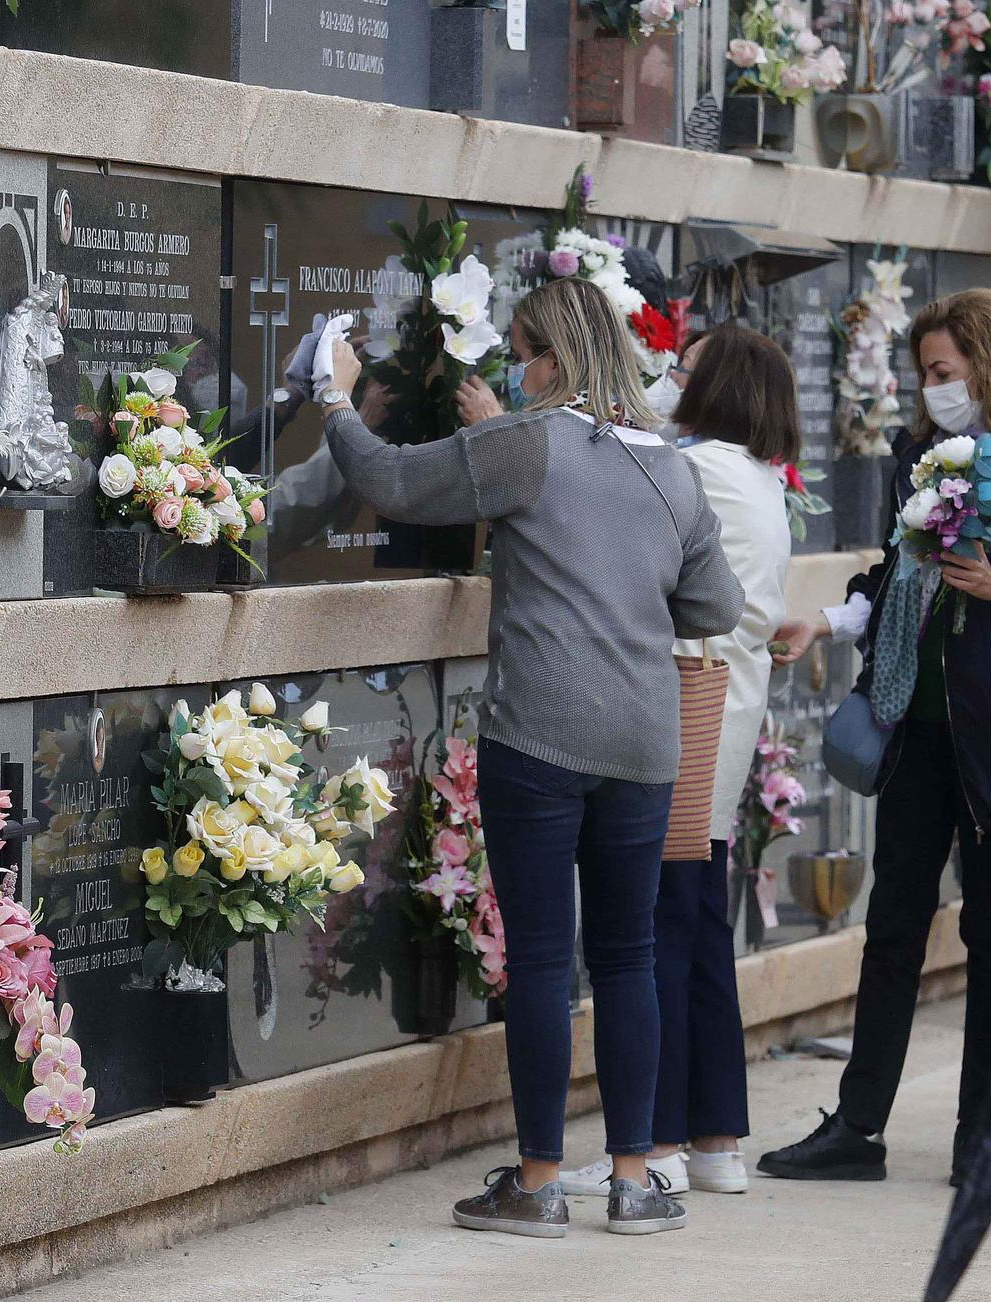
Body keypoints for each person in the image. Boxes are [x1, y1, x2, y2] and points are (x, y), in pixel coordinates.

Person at [320, 276, 746, 1240]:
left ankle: (540, 1181)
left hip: (541, 734)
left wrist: (332, 399)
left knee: (548, 960)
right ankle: (636, 1181)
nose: (511, 366)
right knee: (629, 957)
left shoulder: (527, 443)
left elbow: (390, 478)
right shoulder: (670, 469)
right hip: (644, 742)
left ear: (552, 358)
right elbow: (713, 607)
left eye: (521, 348)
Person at [757, 288, 991, 1185]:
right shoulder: (921, 456)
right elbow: (897, 572)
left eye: (942, 373)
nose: (930, 391)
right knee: (892, 927)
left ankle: (984, 1134)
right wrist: (830, 623)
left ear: (989, 365)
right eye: (924, 375)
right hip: (916, 728)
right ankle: (859, 1125)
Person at [559, 322, 796, 1200]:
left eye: (684, 368)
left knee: (657, 930)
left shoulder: (700, 466)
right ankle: (713, 1139)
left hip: (684, 719)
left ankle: (652, 1143)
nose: (668, 376)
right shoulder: (753, 474)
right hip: (720, 723)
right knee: (698, 935)